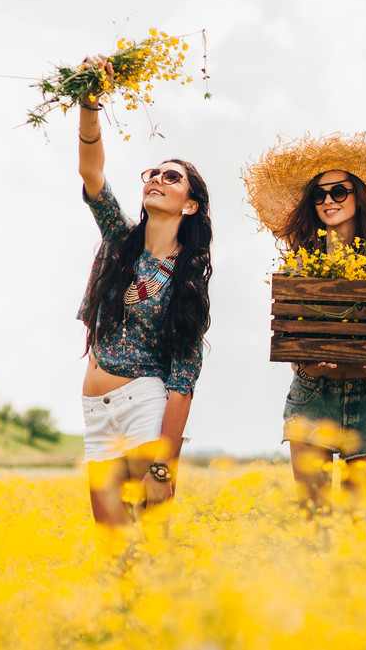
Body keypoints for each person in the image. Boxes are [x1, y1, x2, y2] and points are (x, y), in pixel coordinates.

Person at [244, 133, 366, 514]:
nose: (328, 201)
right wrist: (305, 360)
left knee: (358, 529)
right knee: (314, 527)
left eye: (339, 191)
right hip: (311, 393)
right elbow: (292, 342)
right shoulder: (299, 266)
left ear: (358, 197)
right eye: (320, 195)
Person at [75, 67, 212, 526]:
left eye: (171, 178)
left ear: (189, 205)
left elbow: (183, 378)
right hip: (96, 412)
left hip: (144, 409)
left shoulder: (185, 281)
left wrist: (162, 466)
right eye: (153, 172)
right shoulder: (119, 240)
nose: (156, 178)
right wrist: (89, 102)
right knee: (113, 546)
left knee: (151, 541)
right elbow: (91, 171)